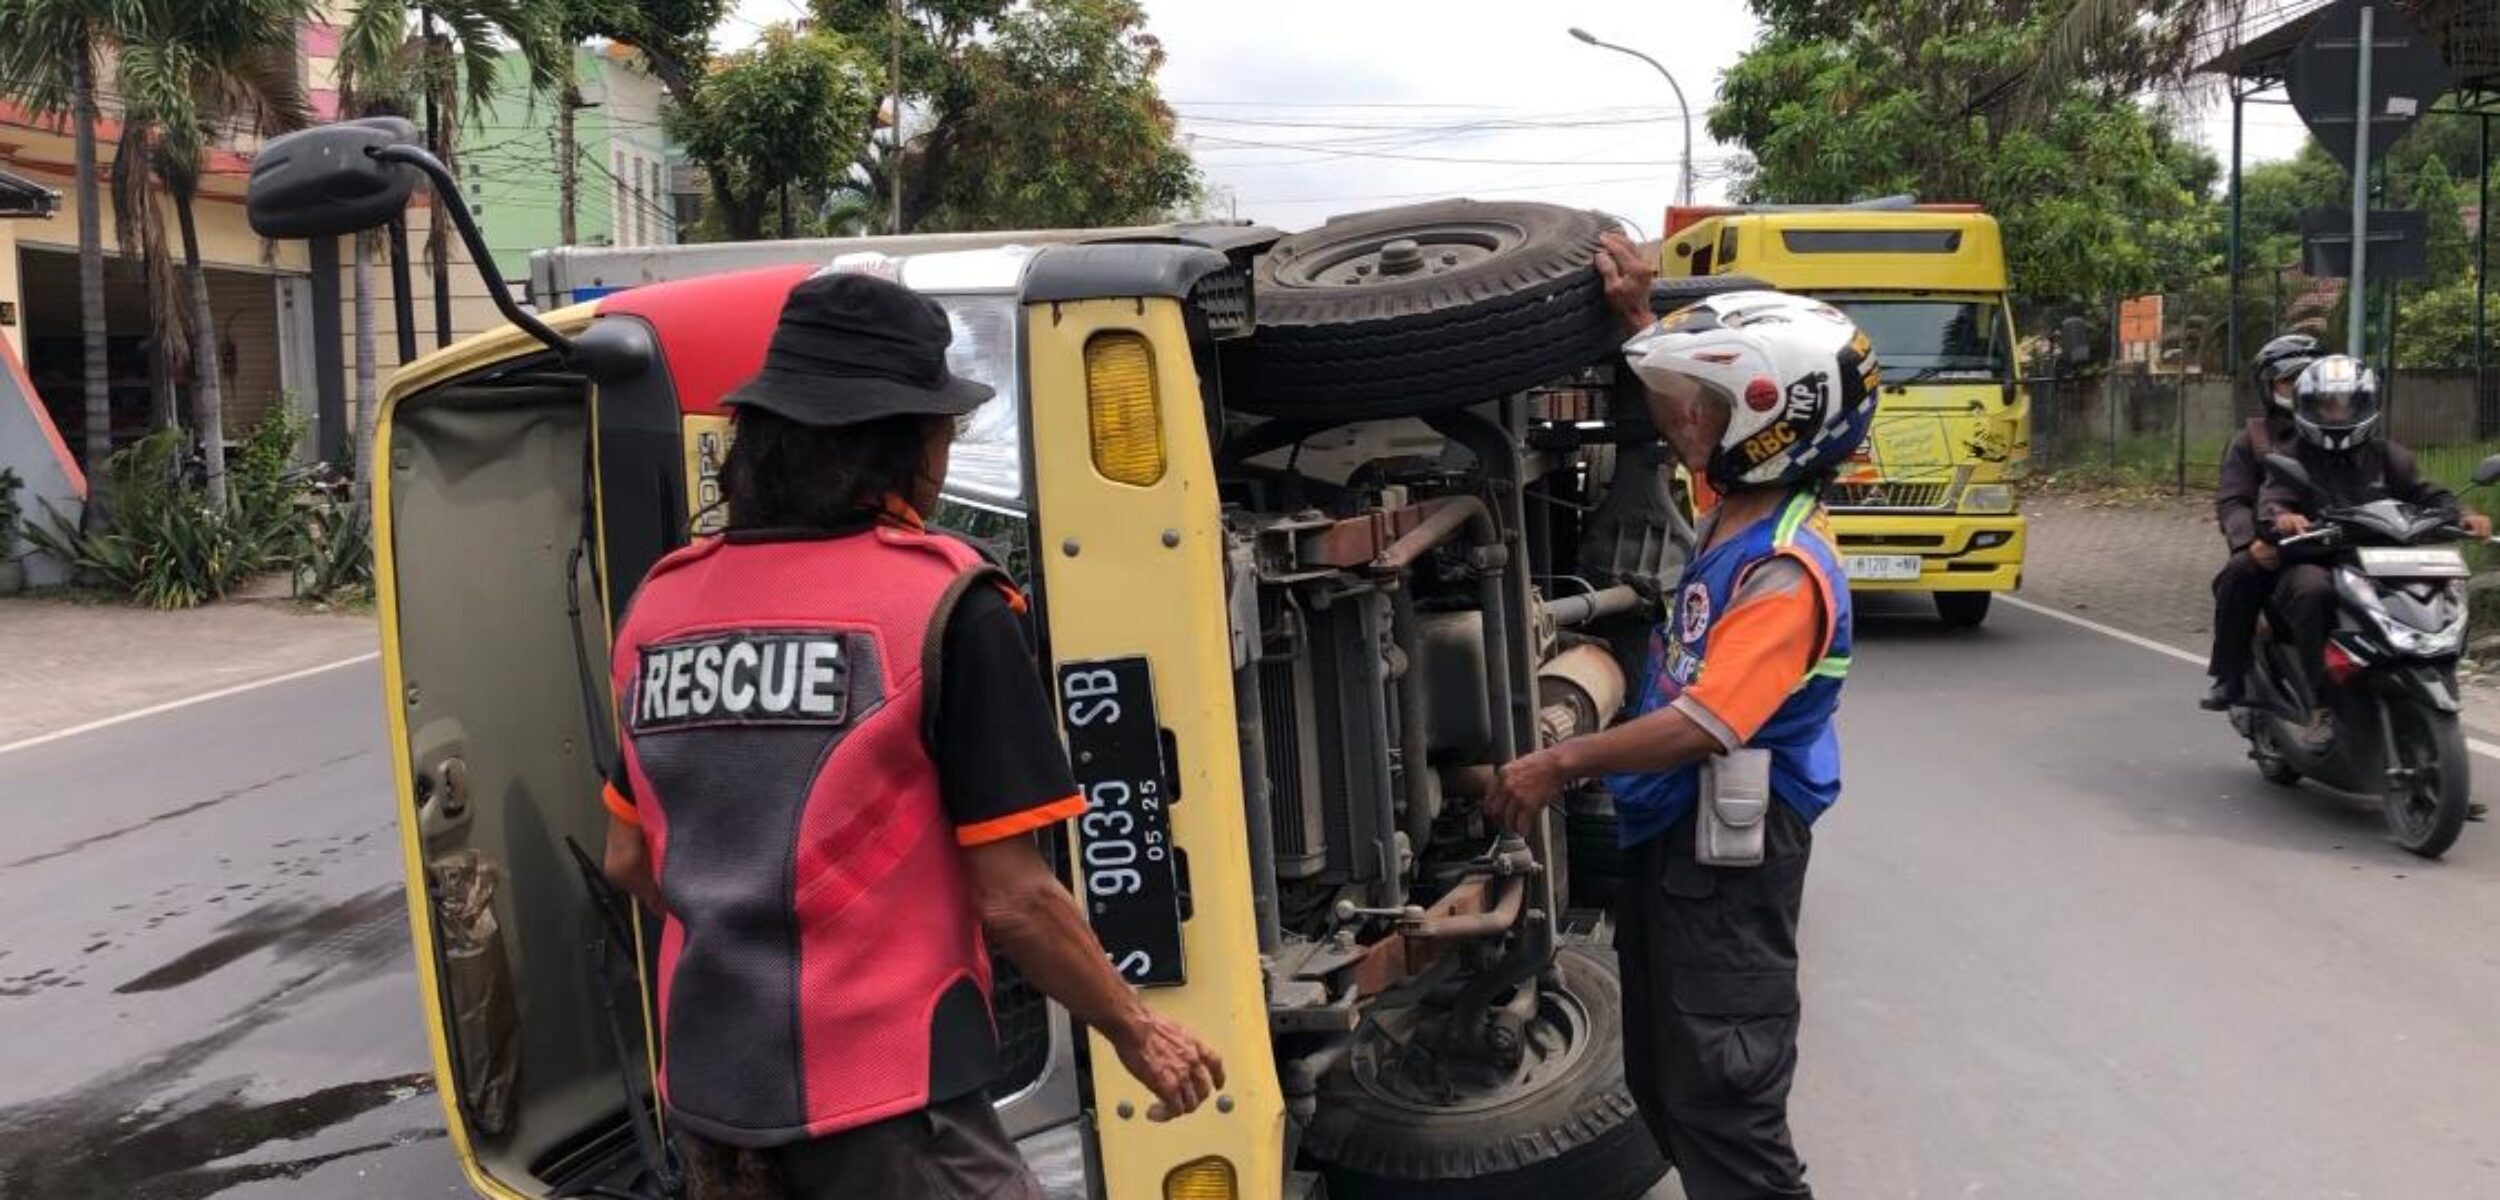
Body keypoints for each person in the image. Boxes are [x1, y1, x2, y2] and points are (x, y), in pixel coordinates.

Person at [598, 271, 1224, 1199]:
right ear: (908, 447)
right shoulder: (942, 605)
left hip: (711, 1101)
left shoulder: (663, 605)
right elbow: (1015, 901)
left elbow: (627, 859)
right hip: (887, 1111)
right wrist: (1139, 1030)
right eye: (943, 434)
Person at [1487, 263, 1876, 1200]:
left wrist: (1558, 761)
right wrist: (1635, 322)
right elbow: (1670, 424)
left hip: (1730, 868)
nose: (1685, 418)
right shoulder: (1737, 508)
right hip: (1679, 844)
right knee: (1664, 1088)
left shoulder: (1785, 568)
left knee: (1725, 1104)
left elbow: (1708, 720)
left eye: (1709, 404)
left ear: (1769, 424)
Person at [2258, 354, 2487, 745]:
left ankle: (2427, 695)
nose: (2336, 413)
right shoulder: (2294, 456)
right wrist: (2284, 518)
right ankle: (2321, 704)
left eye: (2346, 403)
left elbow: (2428, 494)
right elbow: (2273, 499)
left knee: (2435, 593)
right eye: (2326, 404)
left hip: (2383, 562)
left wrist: (2462, 514)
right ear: (2307, 408)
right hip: (2320, 559)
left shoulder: (2388, 455)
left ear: (2366, 405)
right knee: (2314, 592)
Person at [2202, 334, 2319, 710]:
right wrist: (2250, 541)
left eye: (2308, 378)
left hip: (2338, 542)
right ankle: (2230, 674)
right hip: (2277, 545)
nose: (2299, 389)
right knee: (2239, 573)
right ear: (2270, 388)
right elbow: (2233, 500)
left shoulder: (2347, 431)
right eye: (2289, 381)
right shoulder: (2251, 439)